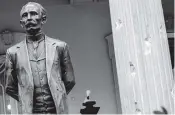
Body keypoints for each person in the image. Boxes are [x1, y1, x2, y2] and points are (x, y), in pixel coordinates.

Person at [5, 2, 75, 114]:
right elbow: (9, 86)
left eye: (33, 14)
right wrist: (26, 98)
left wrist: (58, 94)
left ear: (43, 19)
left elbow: (70, 80)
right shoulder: (12, 52)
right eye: (25, 15)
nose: (28, 18)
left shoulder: (60, 47)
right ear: (21, 23)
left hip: (56, 110)